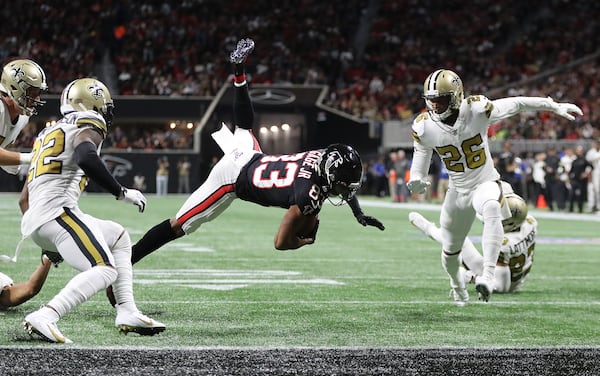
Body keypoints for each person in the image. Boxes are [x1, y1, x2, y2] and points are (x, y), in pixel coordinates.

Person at [129, 38, 385, 266]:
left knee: (244, 126)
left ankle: (239, 72)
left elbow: (336, 178)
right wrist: (303, 242)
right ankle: (127, 261)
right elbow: (280, 242)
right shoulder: (308, 197)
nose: (346, 192)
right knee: (179, 225)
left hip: (250, 153)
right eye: (343, 187)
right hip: (232, 177)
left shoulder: (323, 156)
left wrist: (357, 212)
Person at [407, 68, 581, 305]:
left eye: (441, 100)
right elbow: (421, 154)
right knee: (449, 252)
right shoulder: (424, 126)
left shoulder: (477, 109)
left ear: (456, 96)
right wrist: (416, 177)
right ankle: (458, 286)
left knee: (491, 207)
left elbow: (517, 104)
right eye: (432, 101)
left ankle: (487, 277)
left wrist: (551, 105)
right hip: (457, 191)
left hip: (484, 181)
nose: (435, 106)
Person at [19, 77, 164, 343]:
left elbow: (23, 199)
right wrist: (121, 192)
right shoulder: (88, 121)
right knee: (105, 269)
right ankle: (47, 315)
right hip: (57, 214)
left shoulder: (47, 133)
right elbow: (86, 156)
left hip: (39, 219)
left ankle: (127, 310)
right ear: (91, 102)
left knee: (118, 236)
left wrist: (46, 239)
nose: (106, 112)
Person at [409, 184, 537, 295]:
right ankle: (430, 229)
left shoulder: (505, 244)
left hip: (504, 282)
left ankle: (430, 230)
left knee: (457, 240)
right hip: (517, 274)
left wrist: (472, 278)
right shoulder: (530, 222)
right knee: (456, 237)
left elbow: (502, 286)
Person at [0, 59, 47, 171]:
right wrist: (31, 158)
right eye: (32, 93)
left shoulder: (23, 117)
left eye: (38, 93)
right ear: (14, 88)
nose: (37, 99)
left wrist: (18, 166)